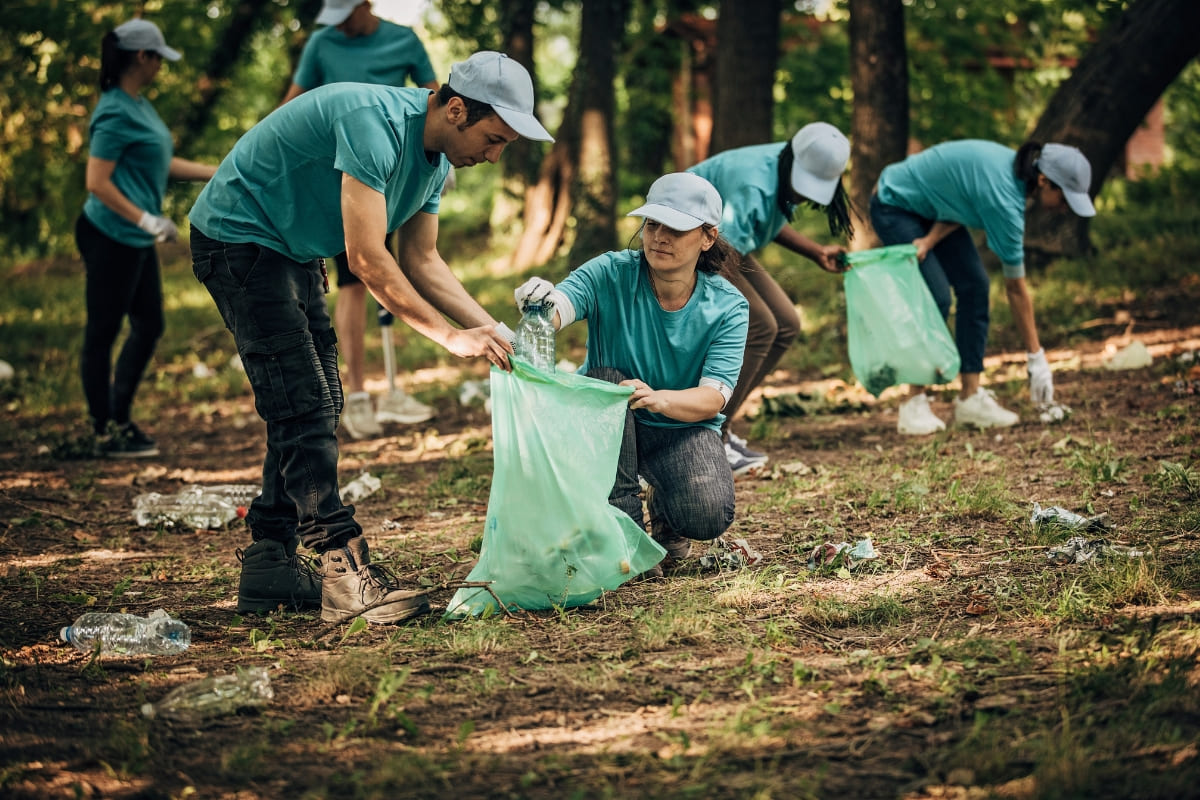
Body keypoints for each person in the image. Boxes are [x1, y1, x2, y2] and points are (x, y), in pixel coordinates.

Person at [188, 51, 553, 623]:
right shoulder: (374, 122)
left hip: (291, 248)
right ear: (456, 109)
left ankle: (269, 562)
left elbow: (423, 259)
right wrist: (448, 338)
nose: (495, 154)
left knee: (318, 398)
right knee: (302, 399)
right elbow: (365, 258)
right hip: (239, 236)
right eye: (494, 138)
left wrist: (490, 330)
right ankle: (341, 568)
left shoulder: (435, 163)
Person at [513, 173, 749, 572]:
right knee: (607, 380)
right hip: (604, 424)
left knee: (709, 514)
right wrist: (540, 304)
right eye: (652, 224)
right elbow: (562, 306)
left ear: (707, 237)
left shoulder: (728, 307)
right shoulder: (610, 272)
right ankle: (623, 533)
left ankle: (666, 514)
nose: (659, 237)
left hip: (679, 428)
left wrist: (660, 398)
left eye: (675, 228)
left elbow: (713, 398)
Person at [282, 0, 441, 439]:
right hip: (341, 175)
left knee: (395, 265)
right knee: (357, 276)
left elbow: (440, 99)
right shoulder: (322, 42)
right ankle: (357, 394)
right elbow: (291, 104)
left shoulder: (403, 40)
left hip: (392, 173)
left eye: (346, 14)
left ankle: (391, 387)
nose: (341, 25)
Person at [869, 139, 1096, 434]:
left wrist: (930, 239)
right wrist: (1036, 358)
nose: (1065, 209)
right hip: (894, 203)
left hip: (932, 208)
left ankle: (970, 399)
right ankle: (913, 404)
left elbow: (960, 200)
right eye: (1065, 199)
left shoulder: (1011, 178)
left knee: (975, 285)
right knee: (935, 296)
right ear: (1043, 181)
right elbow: (1016, 290)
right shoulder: (1005, 199)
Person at [76, 19, 217, 458]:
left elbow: (161, 162)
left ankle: (118, 416)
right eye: (159, 58)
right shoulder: (115, 110)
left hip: (132, 237)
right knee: (103, 330)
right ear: (143, 57)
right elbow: (97, 181)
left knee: (149, 324)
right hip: (110, 234)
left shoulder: (138, 104)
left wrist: (216, 172)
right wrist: (145, 220)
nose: (161, 66)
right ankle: (105, 429)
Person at [688, 122, 853, 476]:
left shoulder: (782, 164)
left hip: (724, 241)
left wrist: (815, 251)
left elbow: (767, 218)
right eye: (805, 187)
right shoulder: (753, 181)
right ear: (793, 162)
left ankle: (721, 426)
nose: (807, 197)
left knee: (787, 323)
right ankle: (707, 435)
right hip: (687, 241)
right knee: (760, 324)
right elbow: (722, 246)